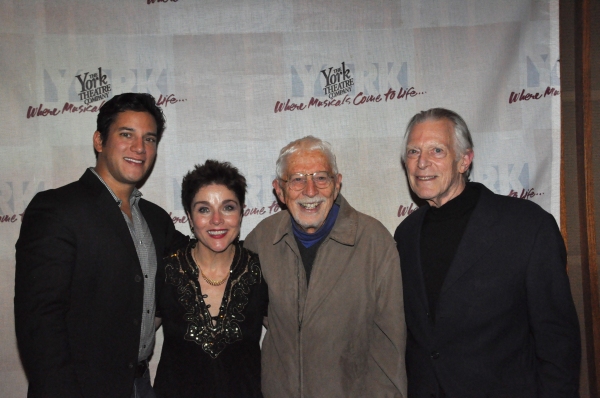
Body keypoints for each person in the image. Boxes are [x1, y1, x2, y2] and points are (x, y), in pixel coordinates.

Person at [394, 108, 581, 397]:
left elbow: (558, 341)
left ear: (464, 160)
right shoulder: (404, 235)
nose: (422, 163)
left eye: (437, 150)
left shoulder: (527, 226)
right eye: (413, 151)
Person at [14, 93, 186, 398]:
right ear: (99, 141)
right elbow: (39, 324)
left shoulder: (157, 220)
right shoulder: (57, 209)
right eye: (126, 135)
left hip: (141, 384)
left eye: (149, 138)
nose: (139, 148)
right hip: (79, 387)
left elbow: (204, 258)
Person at [244, 136, 407, 398]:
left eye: (321, 177)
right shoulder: (261, 241)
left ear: (337, 183)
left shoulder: (375, 242)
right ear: (279, 190)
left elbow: (390, 346)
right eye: (297, 179)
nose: (310, 190)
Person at [154, 160, 268, 398]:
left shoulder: (262, 271)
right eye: (204, 209)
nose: (217, 220)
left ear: (241, 212)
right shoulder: (165, 271)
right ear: (188, 216)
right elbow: (130, 340)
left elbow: (291, 336)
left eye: (228, 207)